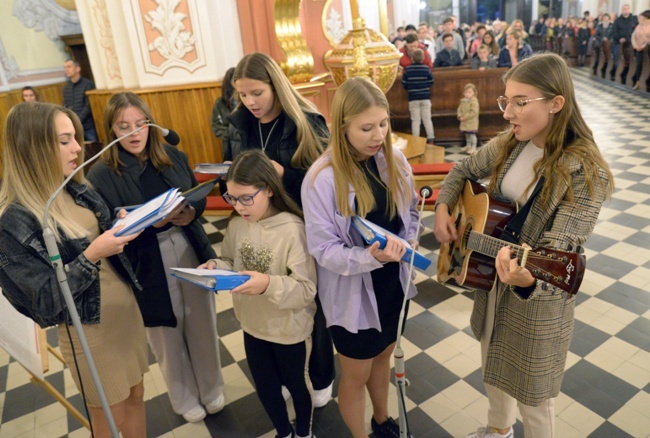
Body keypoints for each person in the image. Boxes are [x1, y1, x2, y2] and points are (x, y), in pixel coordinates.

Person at [433, 52, 614, 438]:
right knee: (493, 369)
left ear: (556, 103)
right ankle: (498, 431)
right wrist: (444, 205)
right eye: (506, 101)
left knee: (534, 401)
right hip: (492, 284)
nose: (507, 113)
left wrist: (528, 279)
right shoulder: (514, 143)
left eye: (519, 102)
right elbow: (463, 169)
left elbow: (559, 248)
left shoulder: (585, 170)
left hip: (536, 301)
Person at [0, 102, 147, 437]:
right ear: (33, 148)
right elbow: (46, 303)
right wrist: (93, 254)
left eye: (75, 138)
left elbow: (100, 236)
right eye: (64, 141)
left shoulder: (73, 187)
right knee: (111, 419)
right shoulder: (14, 220)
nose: (78, 148)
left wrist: (120, 222)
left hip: (125, 314)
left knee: (137, 395)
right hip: (90, 332)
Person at [86, 92, 224, 424]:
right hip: (146, 258)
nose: (134, 133)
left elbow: (196, 194)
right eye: (124, 127)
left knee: (202, 319)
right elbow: (103, 225)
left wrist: (190, 212)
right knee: (166, 332)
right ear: (111, 130)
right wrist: (134, 220)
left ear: (150, 124)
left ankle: (211, 387)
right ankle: (183, 396)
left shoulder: (173, 156)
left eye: (140, 124)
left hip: (187, 243)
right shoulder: (101, 174)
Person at [301, 77, 420, 438]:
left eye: (383, 124)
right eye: (366, 127)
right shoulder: (322, 179)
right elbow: (323, 250)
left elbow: (411, 212)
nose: (377, 135)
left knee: (383, 357)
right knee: (356, 373)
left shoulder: (393, 159)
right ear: (342, 126)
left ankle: (382, 420)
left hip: (391, 283)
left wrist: (405, 245)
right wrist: (370, 257)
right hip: (353, 291)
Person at [223, 51, 335, 407]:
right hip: (260, 221)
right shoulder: (240, 122)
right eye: (242, 94)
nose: (249, 101)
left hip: (301, 221)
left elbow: (328, 178)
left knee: (309, 298)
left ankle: (320, 374)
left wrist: (284, 173)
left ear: (275, 84)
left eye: (256, 92)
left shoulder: (305, 121)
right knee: (270, 295)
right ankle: (288, 374)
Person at [202, 150, 317, 438]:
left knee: (297, 385)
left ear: (268, 188)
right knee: (265, 387)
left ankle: (303, 433)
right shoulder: (237, 225)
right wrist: (216, 266)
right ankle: (284, 432)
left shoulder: (293, 229)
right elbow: (231, 260)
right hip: (253, 325)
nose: (239, 206)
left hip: (288, 329)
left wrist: (267, 284)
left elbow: (306, 289)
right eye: (232, 197)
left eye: (246, 198)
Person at [401, 48, 435, 144]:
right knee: (427, 119)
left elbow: (404, 83)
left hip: (413, 98)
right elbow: (431, 81)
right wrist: (425, 87)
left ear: (412, 58)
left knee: (415, 121)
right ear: (423, 58)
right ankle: (431, 138)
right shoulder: (426, 68)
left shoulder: (408, 69)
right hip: (425, 97)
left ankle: (416, 140)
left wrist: (410, 88)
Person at [63, 60, 98, 142]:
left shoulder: (88, 84)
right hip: (73, 125)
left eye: (69, 67)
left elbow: (88, 106)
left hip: (87, 125)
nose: (66, 70)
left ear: (78, 69)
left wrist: (78, 119)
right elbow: (66, 105)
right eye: (65, 67)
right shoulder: (66, 87)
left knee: (94, 147)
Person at [610, 4, 638, 83]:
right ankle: (619, 76)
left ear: (629, 10)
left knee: (630, 61)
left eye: (627, 9)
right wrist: (619, 38)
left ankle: (628, 77)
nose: (626, 10)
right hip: (618, 43)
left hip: (630, 44)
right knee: (619, 60)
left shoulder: (633, 19)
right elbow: (614, 32)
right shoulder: (617, 20)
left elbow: (635, 30)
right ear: (622, 10)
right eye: (624, 9)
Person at [211, 67, 237, 141]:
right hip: (231, 145)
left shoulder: (248, 100)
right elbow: (216, 127)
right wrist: (234, 135)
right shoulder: (220, 103)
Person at [457, 83, 480, 154]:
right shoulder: (463, 101)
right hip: (464, 122)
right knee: (467, 135)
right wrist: (460, 116)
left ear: (474, 93)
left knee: (472, 135)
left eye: (470, 92)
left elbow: (474, 112)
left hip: (471, 122)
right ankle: (468, 145)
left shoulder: (474, 101)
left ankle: (473, 147)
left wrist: (465, 117)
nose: (467, 94)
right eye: (466, 92)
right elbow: (459, 109)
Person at [631, 10, 650, 90]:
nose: (639, 18)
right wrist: (635, 46)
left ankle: (648, 83)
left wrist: (644, 45)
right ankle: (638, 82)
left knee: (648, 66)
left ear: (646, 18)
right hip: (638, 49)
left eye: (641, 17)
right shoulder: (639, 26)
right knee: (639, 65)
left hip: (648, 49)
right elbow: (633, 36)